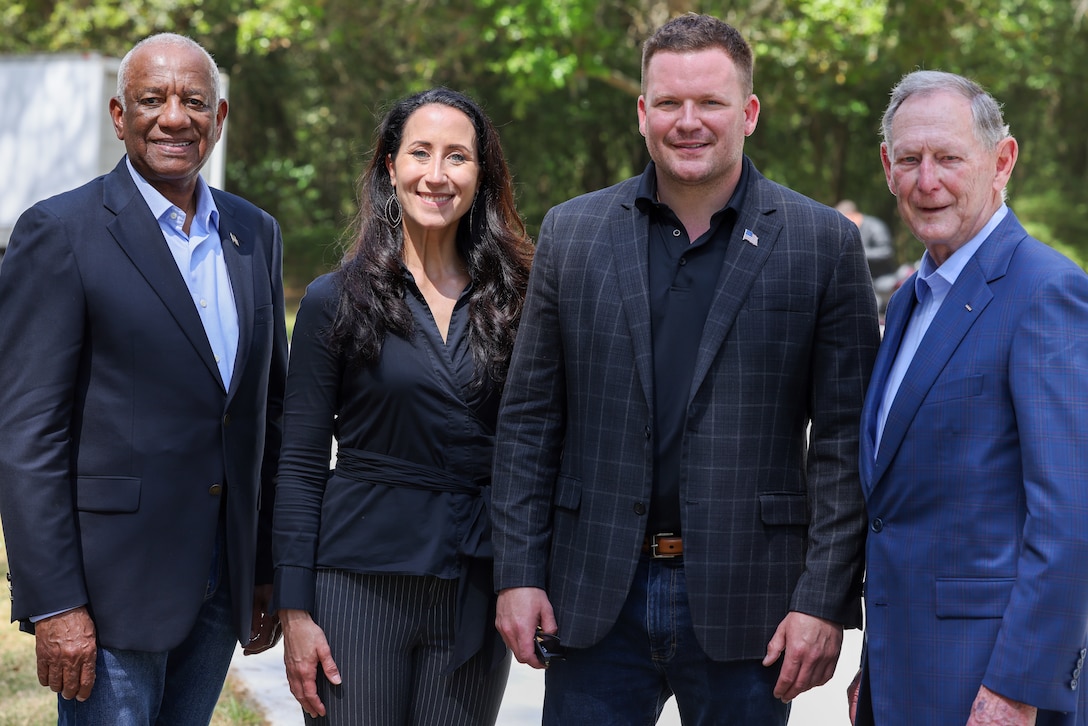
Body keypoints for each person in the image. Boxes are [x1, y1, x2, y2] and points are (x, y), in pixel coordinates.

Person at [491, 13, 880, 725]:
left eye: (711, 103)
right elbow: (528, 422)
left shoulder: (822, 245)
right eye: (669, 103)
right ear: (643, 113)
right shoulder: (573, 233)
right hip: (594, 594)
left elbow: (844, 442)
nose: (688, 121)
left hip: (751, 606)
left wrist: (822, 598)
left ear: (750, 113)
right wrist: (517, 572)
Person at [0, 32, 288, 724]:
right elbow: (27, 434)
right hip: (110, 590)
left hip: (221, 583)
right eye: (151, 99)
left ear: (218, 118)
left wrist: (264, 566)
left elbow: (265, 414)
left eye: (194, 101)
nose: (173, 117)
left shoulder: (254, 234)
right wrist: (55, 603)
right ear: (118, 115)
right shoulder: (60, 232)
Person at [272, 87, 533, 725]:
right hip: (358, 579)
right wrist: (295, 609)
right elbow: (300, 462)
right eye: (420, 153)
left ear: (482, 173)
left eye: (458, 157)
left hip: (473, 578)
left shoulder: (520, 300)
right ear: (391, 165)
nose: (437, 175)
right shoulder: (336, 300)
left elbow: (539, 447)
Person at [850, 70, 1088, 726]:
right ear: (887, 168)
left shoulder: (1045, 293)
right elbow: (901, 514)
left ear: (1002, 161)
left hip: (993, 687)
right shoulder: (906, 303)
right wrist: (875, 668)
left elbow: (1069, 516)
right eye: (910, 159)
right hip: (904, 675)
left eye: (949, 157)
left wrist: (1021, 685)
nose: (928, 181)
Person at [835, 199, 897, 281]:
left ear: (852, 215)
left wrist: (857, 253)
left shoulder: (875, 226)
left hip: (882, 280)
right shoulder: (849, 231)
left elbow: (886, 252)